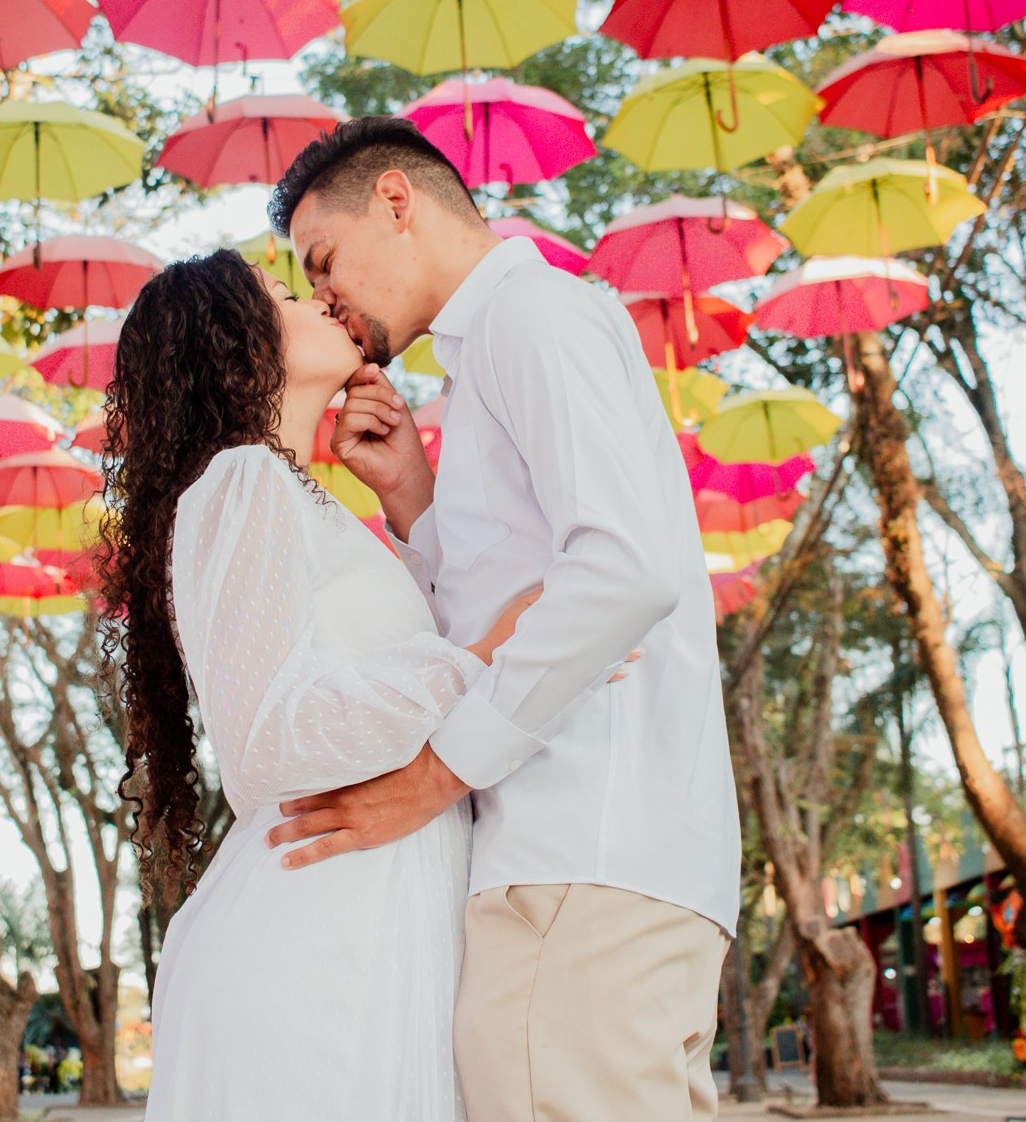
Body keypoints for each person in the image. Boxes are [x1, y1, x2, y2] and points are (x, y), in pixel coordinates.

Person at [265, 116, 741, 1121]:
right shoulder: (488, 353)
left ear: (395, 201)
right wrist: (416, 504)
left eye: (323, 261)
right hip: (597, 865)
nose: (322, 297)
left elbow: (624, 570)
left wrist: (432, 778)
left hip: (578, 860)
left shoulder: (531, 316)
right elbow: (528, 588)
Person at [103, 249, 551, 1120]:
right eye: (280, 292)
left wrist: (403, 494)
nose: (313, 298)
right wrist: (484, 653)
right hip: (317, 945)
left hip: (364, 929)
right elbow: (270, 740)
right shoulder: (242, 479)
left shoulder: (293, 495)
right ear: (233, 341)